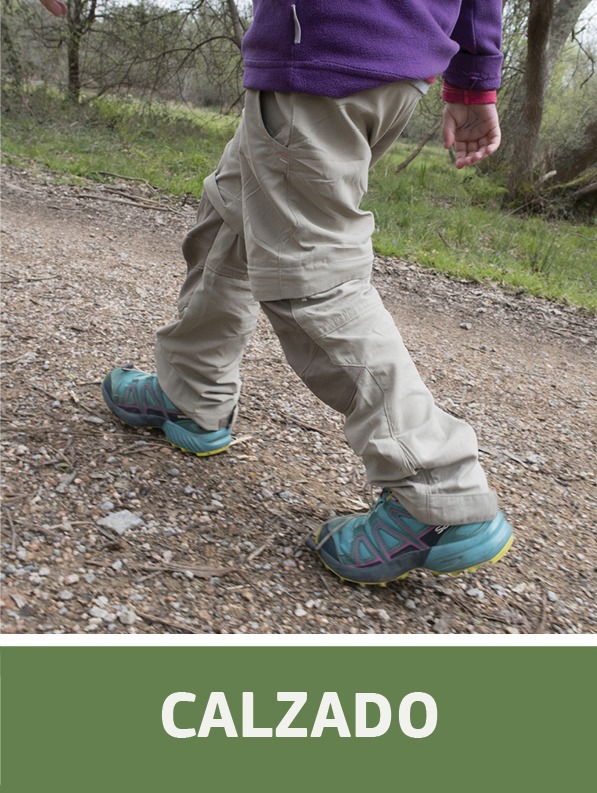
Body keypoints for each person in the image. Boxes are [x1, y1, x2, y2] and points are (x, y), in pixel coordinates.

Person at [40, 0, 513, 586]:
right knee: (231, 218)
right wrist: (474, 82)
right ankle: (192, 390)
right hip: (386, 59)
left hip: (322, 52)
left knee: (312, 278)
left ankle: (437, 493)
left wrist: (473, 80)